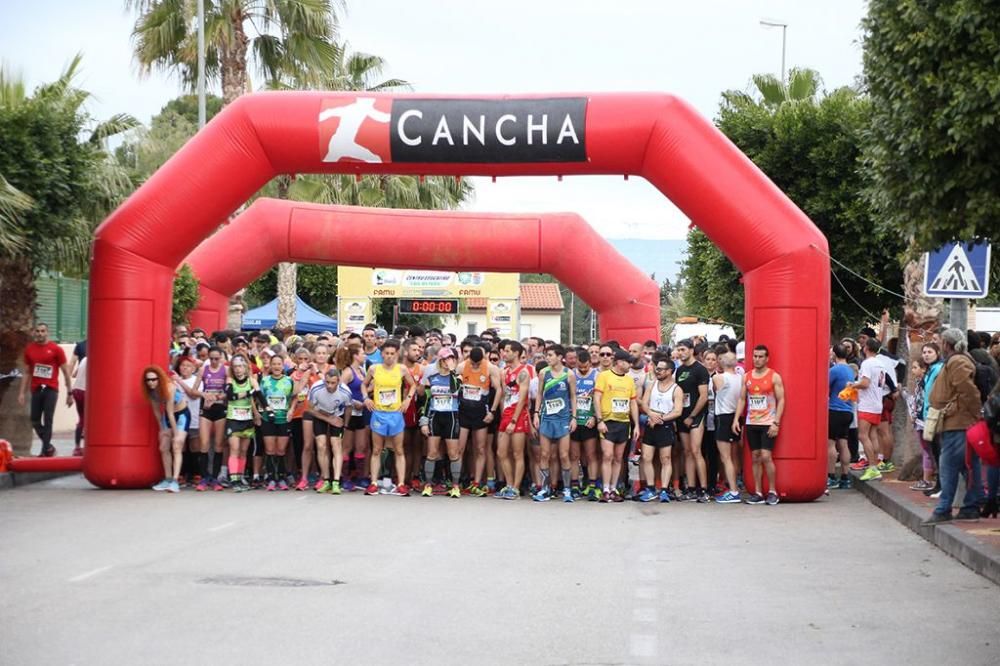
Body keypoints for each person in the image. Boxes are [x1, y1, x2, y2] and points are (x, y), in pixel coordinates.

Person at [924, 328, 983, 524]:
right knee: (968, 466)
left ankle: (944, 509)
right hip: (957, 420)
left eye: (940, 341)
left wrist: (974, 415)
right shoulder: (956, 360)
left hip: (958, 421)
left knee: (948, 465)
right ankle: (972, 506)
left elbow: (968, 390)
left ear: (947, 344)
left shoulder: (957, 361)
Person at [362, 339, 418, 496]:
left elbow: (412, 385)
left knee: (399, 449)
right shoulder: (374, 369)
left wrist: (407, 400)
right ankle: (373, 483)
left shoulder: (402, 369)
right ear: (382, 354)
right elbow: (363, 384)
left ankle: (400, 484)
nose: (389, 356)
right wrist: (366, 398)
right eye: (386, 353)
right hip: (379, 413)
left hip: (395, 413)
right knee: (377, 449)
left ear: (397, 354)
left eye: (392, 354)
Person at [733, 344, 785, 505]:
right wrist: (737, 419)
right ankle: (757, 492)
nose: (757, 359)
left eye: (760, 356)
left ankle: (772, 491)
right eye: (755, 356)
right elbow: (742, 399)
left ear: (767, 358)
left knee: (766, 456)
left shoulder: (774, 376)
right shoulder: (747, 377)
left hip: (768, 422)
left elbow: (781, 399)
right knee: (755, 457)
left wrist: (776, 422)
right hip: (751, 422)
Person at [19, 323, 73, 457]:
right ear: (34, 333)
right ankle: (48, 446)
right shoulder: (30, 349)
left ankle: (44, 451)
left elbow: (66, 372)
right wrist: (21, 392)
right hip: (36, 389)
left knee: (48, 419)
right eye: (37, 331)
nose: (40, 333)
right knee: (34, 420)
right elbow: (26, 372)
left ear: (47, 333)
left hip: (51, 389)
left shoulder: (55, 349)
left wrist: (69, 393)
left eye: (42, 331)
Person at [532, 344, 577, 502]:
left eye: (550, 355)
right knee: (545, 454)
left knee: (564, 455)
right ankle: (545, 489)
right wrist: (536, 414)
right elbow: (539, 394)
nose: (547, 358)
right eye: (546, 355)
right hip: (546, 418)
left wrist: (574, 417)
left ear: (559, 357)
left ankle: (566, 490)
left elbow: (572, 397)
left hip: (563, 419)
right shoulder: (544, 373)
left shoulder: (569, 374)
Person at [593, 349, 639, 503]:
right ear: (619, 362)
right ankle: (605, 489)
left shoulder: (629, 380)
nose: (630, 365)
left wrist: (637, 425)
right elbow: (597, 397)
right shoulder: (604, 376)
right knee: (607, 455)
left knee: (619, 457)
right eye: (627, 362)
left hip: (623, 422)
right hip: (608, 421)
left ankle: (614, 488)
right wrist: (600, 420)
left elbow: (633, 402)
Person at [457, 344, 502, 496]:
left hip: (481, 412)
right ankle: (457, 482)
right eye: (473, 364)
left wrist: (493, 412)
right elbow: (455, 386)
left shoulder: (490, 368)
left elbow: (499, 390)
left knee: (481, 448)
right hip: (464, 411)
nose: (475, 366)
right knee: (460, 449)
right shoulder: (462, 366)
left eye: (478, 364)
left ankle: (476, 482)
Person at [420, 347, 463, 498]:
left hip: (451, 416)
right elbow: (426, 401)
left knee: (453, 453)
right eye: (445, 359)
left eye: (451, 359)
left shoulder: (458, 377)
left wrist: (453, 371)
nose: (447, 362)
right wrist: (424, 421)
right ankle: (428, 484)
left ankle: (455, 485)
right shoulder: (432, 378)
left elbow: (454, 389)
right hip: (435, 416)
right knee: (432, 452)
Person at [637, 358, 682, 502]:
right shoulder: (652, 385)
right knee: (647, 457)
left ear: (669, 371)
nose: (658, 371)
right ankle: (650, 489)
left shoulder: (677, 389)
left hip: (665, 425)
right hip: (651, 423)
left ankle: (663, 489)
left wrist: (661, 418)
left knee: (665, 459)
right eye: (657, 369)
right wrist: (651, 414)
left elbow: (677, 411)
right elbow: (644, 402)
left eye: (661, 369)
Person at [674, 339, 710, 502]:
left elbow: (703, 396)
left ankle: (703, 489)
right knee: (687, 452)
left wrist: (692, 416)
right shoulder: (679, 370)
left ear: (691, 350)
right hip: (682, 415)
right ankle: (691, 487)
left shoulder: (700, 370)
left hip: (696, 415)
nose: (680, 353)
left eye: (683, 350)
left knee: (696, 451)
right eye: (678, 350)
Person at [142, 365, 188, 493]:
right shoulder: (151, 391)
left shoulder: (169, 387)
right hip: (167, 417)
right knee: (163, 447)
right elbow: (157, 412)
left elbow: (170, 412)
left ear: (160, 378)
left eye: (154, 379)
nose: (151, 382)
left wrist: (174, 433)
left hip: (181, 415)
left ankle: (175, 480)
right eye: (148, 380)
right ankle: (167, 478)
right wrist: (162, 429)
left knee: (177, 445)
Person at [495, 340, 531, 499]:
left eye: (508, 351)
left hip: (518, 415)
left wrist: (514, 420)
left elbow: (522, 399)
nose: (504, 353)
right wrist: (504, 416)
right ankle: (509, 484)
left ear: (516, 353)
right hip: (506, 414)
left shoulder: (524, 372)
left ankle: (516, 488)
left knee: (517, 453)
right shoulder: (504, 372)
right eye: (504, 351)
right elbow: (504, 395)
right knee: (501, 452)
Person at [308, 367, 353, 494]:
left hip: (337, 415)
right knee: (321, 445)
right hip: (320, 414)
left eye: (333, 383)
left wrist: (345, 425)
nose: (329, 385)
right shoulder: (316, 388)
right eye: (327, 382)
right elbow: (310, 409)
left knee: (336, 444)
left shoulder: (345, 392)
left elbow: (349, 408)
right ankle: (326, 479)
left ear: (339, 381)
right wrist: (328, 419)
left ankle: (336, 482)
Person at [848, 338, 887, 481]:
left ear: (867, 348)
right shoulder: (881, 364)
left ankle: (872, 467)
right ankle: (875, 464)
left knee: (863, 435)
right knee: (873, 435)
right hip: (877, 402)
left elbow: (865, 383)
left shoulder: (867, 363)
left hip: (867, 403)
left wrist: (853, 385)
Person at [259, 354, 296, 491]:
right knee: (270, 450)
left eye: (279, 364)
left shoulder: (288, 380)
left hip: (283, 419)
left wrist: (291, 410)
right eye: (274, 364)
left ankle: (281, 477)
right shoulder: (265, 381)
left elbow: (294, 397)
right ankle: (271, 478)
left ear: (283, 366)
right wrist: (262, 412)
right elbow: (259, 398)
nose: (276, 366)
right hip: (268, 419)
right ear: (270, 365)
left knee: (281, 450)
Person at [224, 356, 261, 492]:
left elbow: (259, 395)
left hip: (247, 419)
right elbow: (230, 395)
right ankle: (234, 480)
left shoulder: (252, 380)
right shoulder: (230, 380)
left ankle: (240, 477)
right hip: (233, 418)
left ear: (246, 367)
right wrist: (247, 392)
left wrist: (267, 410)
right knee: (234, 449)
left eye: (240, 366)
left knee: (244, 451)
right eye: (235, 367)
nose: (238, 370)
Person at [712, 352, 744, 502]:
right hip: (736, 416)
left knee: (725, 457)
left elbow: (716, 389)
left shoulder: (719, 377)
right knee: (734, 454)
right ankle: (734, 484)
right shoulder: (741, 378)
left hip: (724, 415)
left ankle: (733, 490)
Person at [196, 346, 228, 490]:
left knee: (219, 444)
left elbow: (229, 390)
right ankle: (204, 478)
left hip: (220, 408)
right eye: (211, 358)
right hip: (207, 408)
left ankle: (215, 478)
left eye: (217, 358)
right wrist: (204, 395)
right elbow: (194, 390)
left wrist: (219, 396)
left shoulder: (226, 370)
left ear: (221, 357)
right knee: (204, 443)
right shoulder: (204, 369)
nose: (214, 361)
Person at [571, 348, 601, 500]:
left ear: (590, 363)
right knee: (575, 455)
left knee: (591, 455)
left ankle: (593, 485)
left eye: (586, 367)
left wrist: (595, 417)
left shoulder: (597, 375)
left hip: (589, 420)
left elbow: (599, 399)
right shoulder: (571, 375)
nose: (583, 369)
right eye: (580, 367)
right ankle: (575, 485)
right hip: (575, 420)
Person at [827, 344, 855, 491]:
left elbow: (825, 386)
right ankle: (845, 477)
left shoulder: (834, 370)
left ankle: (830, 476)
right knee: (843, 443)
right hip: (848, 410)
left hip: (834, 409)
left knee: (830, 444)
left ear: (834, 355)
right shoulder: (850, 370)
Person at [173, 355, 203, 485]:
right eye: (183, 365)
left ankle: (196, 473)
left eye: (188, 366)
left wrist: (179, 381)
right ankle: (182, 473)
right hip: (179, 417)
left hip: (194, 416)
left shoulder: (197, 380)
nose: (185, 368)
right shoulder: (173, 381)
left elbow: (193, 394)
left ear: (193, 369)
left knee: (195, 446)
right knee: (181, 446)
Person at [70, 355, 87, 457]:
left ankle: (77, 447)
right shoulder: (98, 360)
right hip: (85, 390)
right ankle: (86, 447)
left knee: (82, 419)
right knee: (89, 420)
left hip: (76, 390)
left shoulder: (85, 358)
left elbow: (75, 374)